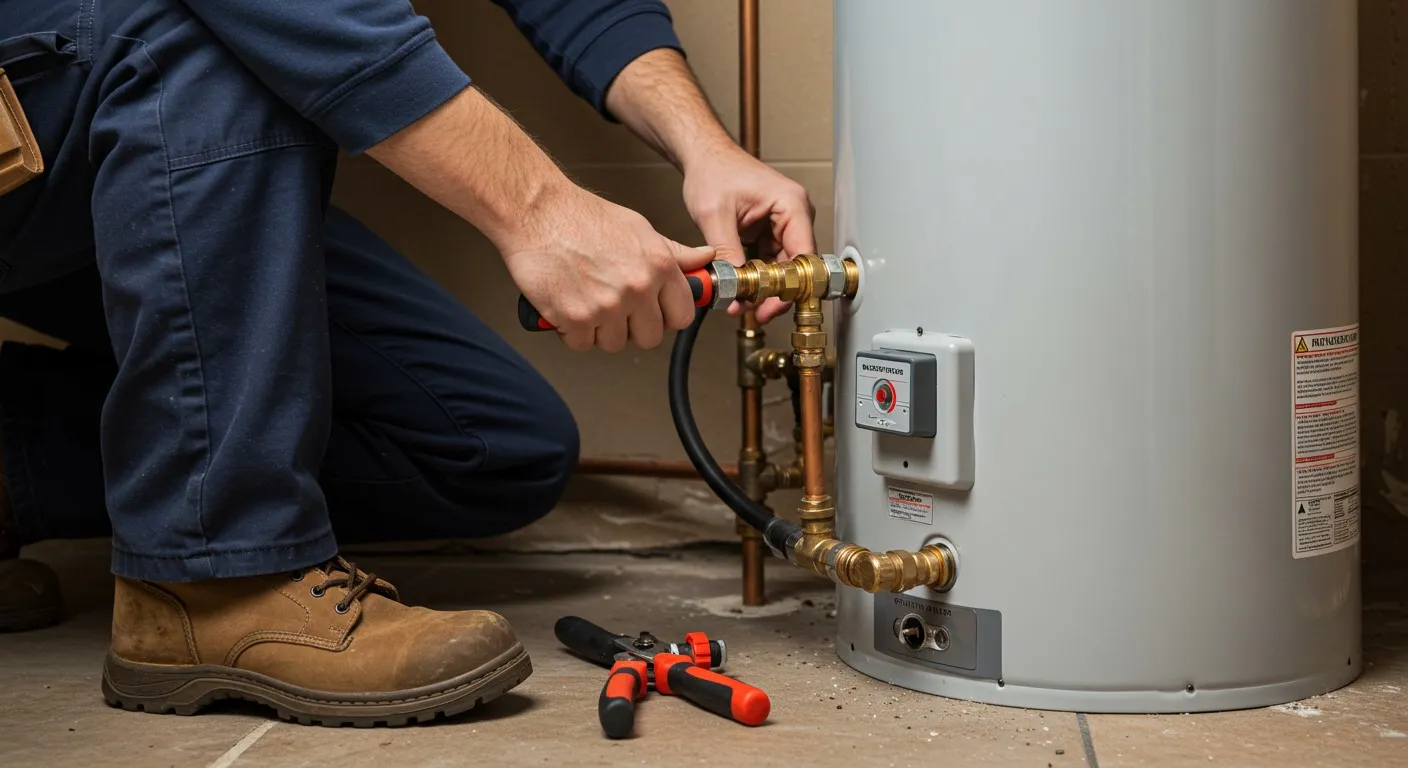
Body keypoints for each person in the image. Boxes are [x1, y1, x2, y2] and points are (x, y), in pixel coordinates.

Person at [0, 0, 814, 726]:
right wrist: (540, 209)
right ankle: (211, 579)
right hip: (73, 99)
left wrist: (705, 148)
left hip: (101, 137)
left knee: (489, 444)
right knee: (206, 34)